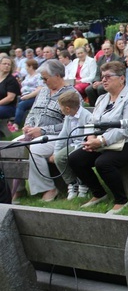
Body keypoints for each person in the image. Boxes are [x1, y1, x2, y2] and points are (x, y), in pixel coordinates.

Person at [68, 61, 128, 214]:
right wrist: (91, 138)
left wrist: (100, 141)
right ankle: (99, 193)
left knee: (103, 162)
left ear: (121, 78)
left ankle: (121, 200)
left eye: (108, 76)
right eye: (102, 76)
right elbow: (92, 122)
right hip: (106, 142)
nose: (103, 80)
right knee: (75, 159)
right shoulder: (102, 99)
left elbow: (126, 128)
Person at [22, 60, 78, 203]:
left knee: (34, 149)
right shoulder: (43, 91)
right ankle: (17, 190)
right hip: (35, 134)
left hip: (59, 138)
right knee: (7, 148)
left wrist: (42, 130)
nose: (43, 81)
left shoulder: (71, 94)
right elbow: (33, 112)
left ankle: (49, 188)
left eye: (45, 78)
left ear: (58, 76)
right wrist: (28, 126)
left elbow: (72, 123)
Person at [52, 91, 93, 200]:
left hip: (84, 145)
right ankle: (72, 182)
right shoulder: (68, 117)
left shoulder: (86, 116)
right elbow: (63, 134)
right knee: (59, 157)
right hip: (74, 145)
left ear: (67, 109)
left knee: (75, 158)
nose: (60, 110)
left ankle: (84, 183)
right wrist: (56, 151)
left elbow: (89, 136)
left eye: (60, 108)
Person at [85, 41, 120, 107]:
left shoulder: (117, 59)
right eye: (104, 49)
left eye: (108, 49)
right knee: (88, 89)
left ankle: (104, 106)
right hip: (101, 81)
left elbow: (115, 74)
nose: (106, 51)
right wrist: (96, 81)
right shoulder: (101, 59)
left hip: (111, 80)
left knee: (100, 88)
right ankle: (93, 108)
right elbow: (98, 73)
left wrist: (101, 82)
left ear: (112, 49)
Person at [11, 59, 42, 131]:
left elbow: (40, 89)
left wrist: (28, 96)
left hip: (34, 97)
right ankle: (10, 122)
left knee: (21, 105)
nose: (25, 68)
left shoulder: (38, 76)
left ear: (31, 67)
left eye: (26, 66)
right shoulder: (27, 76)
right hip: (23, 96)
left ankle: (16, 125)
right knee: (14, 102)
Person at [0, 57, 20, 123]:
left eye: (9, 64)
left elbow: (10, 98)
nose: (7, 66)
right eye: (4, 64)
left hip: (8, 107)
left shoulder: (11, 80)